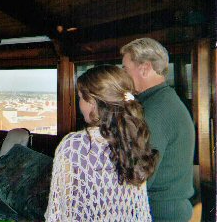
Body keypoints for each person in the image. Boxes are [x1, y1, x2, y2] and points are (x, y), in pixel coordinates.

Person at [45, 65, 158, 221]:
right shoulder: (134, 140)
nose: (79, 105)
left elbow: (59, 212)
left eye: (80, 97)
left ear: (92, 101)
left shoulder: (73, 146)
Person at [121, 38, 195, 221]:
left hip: (158, 214)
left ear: (144, 68)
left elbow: (138, 179)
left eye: (125, 69)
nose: (122, 76)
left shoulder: (153, 111)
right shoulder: (165, 100)